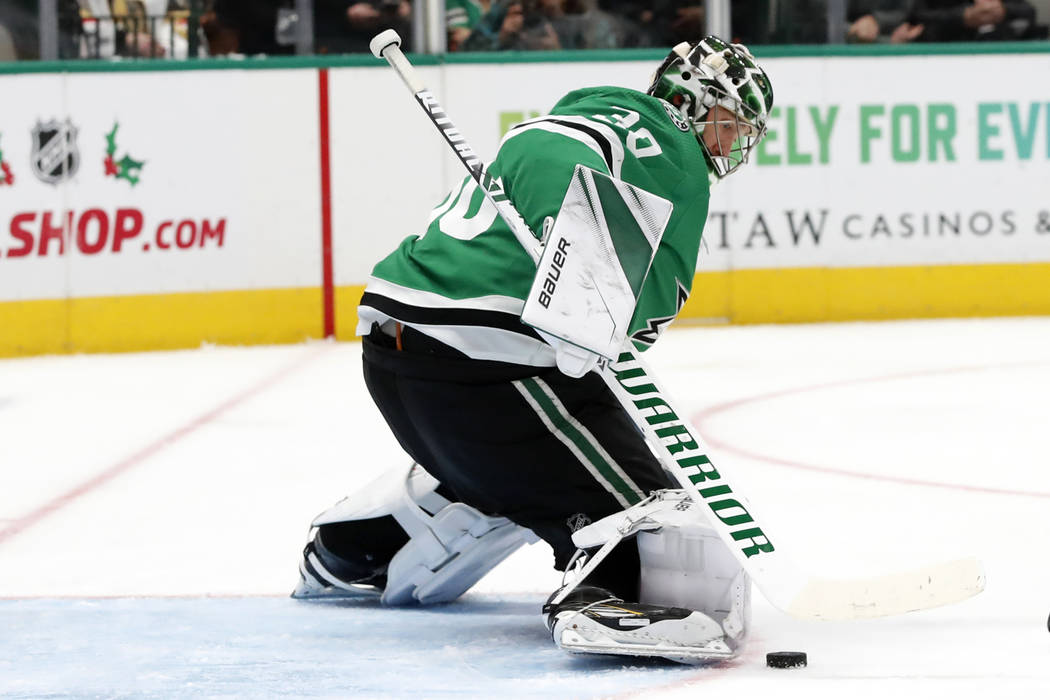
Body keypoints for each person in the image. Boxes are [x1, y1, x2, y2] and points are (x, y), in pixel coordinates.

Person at [292, 36, 774, 664]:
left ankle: (358, 548)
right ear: (697, 104)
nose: (731, 143)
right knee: (667, 536)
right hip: (487, 373)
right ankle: (611, 595)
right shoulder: (677, 156)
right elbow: (644, 310)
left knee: (530, 471)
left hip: (395, 353)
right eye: (731, 123)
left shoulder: (569, 117)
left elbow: (549, 184)